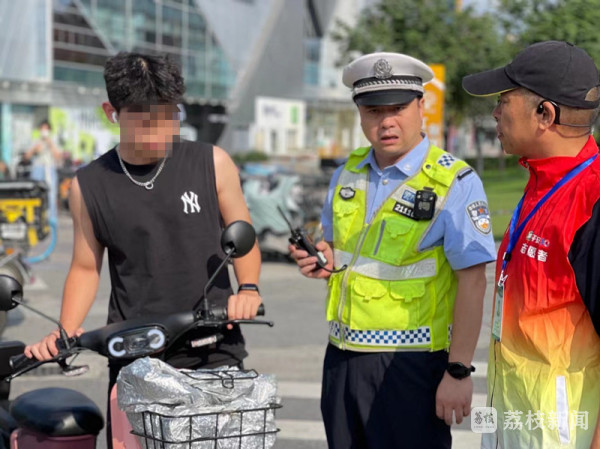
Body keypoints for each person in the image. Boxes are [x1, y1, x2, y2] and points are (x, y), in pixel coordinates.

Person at [24, 52, 263, 447]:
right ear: (112, 113)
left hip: (212, 349)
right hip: (134, 354)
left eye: (168, 116)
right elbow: (85, 267)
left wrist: (249, 289)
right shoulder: (88, 186)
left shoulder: (212, 163)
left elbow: (243, 235)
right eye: (144, 120)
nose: (159, 130)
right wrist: (65, 331)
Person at [290, 52, 497, 448]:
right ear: (359, 114)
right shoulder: (346, 173)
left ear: (421, 106)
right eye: (373, 111)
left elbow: (472, 282)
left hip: (411, 363)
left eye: (398, 108)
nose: (386, 121)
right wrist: (320, 259)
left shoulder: (454, 181)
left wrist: (458, 370)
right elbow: (339, 252)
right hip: (341, 358)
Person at [463, 40, 600, 449]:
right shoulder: (542, 182)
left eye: (503, 100)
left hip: (562, 432)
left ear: (545, 114)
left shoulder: (592, 199)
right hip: (512, 417)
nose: (495, 113)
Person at [25, 120, 62, 220]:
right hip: (37, 168)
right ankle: (35, 219)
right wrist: (34, 150)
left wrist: (51, 144)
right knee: (35, 194)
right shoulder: (35, 141)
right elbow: (26, 157)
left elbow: (58, 156)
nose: (44, 131)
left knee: (51, 196)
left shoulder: (53, 141)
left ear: (49, 130)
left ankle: (52, 221)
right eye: (42, 128)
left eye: (46, 129)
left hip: (50, 168)